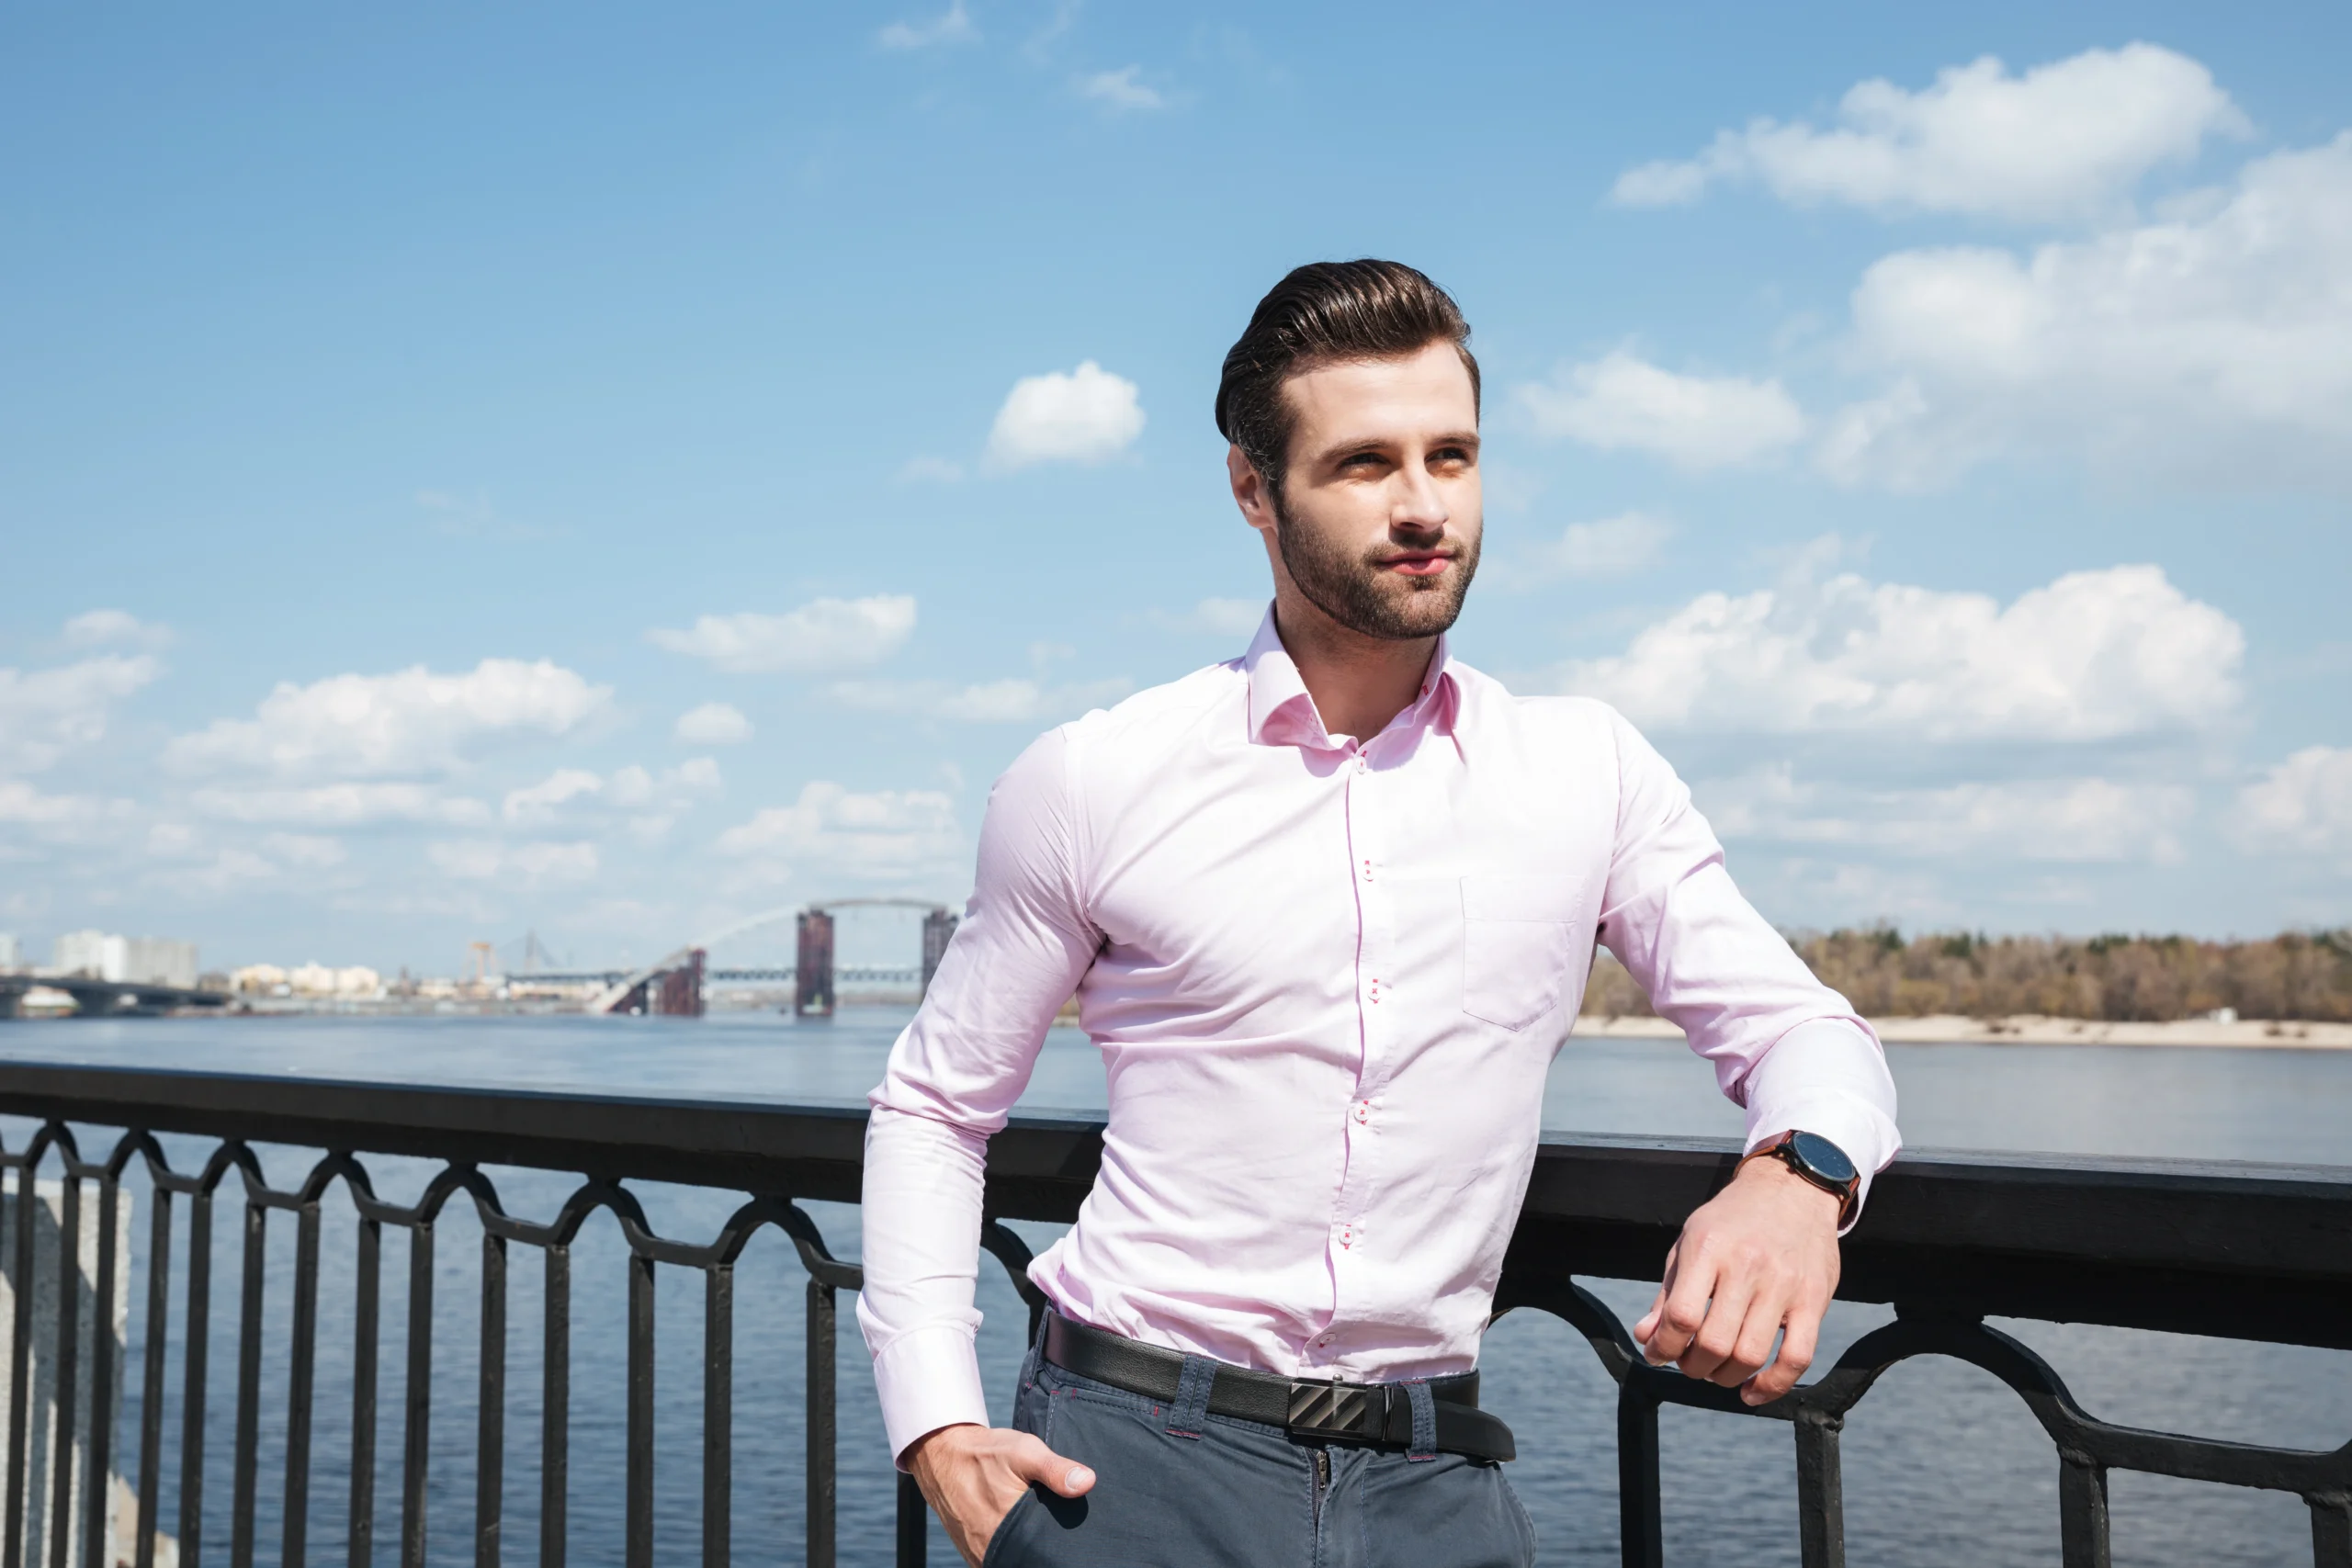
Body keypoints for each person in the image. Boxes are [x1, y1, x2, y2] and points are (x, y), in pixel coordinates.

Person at [858, 259, 1900, 1567]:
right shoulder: (1094, 776)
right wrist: (936, 1425)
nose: (1423, 508)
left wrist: (1796, 1178)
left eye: (1452, 455)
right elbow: (937, 1105)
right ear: (1253, 487)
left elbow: (1805, 1028)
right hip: (1124, 1461)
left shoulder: (1587, 771)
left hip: (1434, 1475)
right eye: (1363, 465)